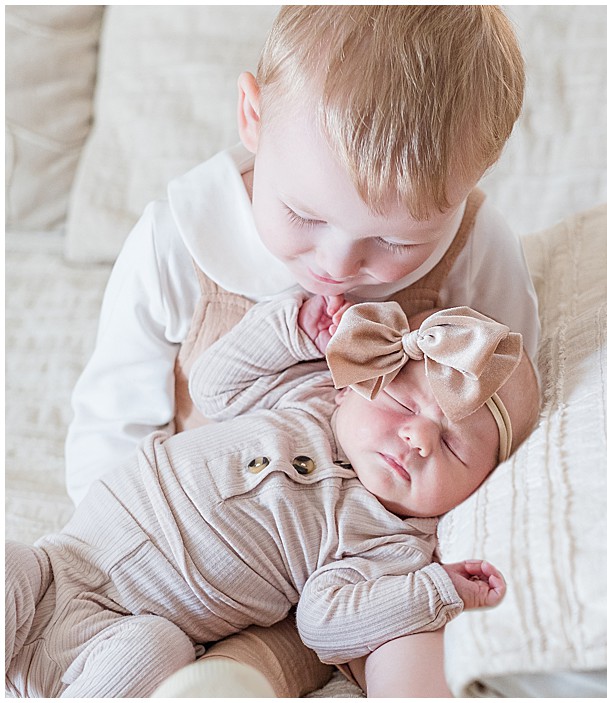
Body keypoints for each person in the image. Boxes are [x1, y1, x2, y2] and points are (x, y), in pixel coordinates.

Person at [62, 6, 535, 696]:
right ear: (252, 117)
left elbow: (511, 401)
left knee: (393, 631)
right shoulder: (180, 238)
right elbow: (113, 413)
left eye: (397, 242)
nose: (339, 263)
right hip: (176, 530)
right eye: (305, 216)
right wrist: (115, 550)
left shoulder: (477, 247)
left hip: (344, 556)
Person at [7, 296, 541, 698]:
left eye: (452, 446)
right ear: (356, 383)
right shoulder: (306, 395)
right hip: (52, 566)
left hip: (125, 630)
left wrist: (432, 591)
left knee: (160, 655)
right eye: (403, 404)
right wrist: (292, 328)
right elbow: (214, 385)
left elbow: (323, 624)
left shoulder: (391, 543)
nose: (419, 438)